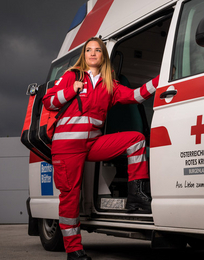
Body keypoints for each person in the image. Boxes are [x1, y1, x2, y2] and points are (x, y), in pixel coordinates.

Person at [42, 37, 159, 260]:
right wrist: (70, 91)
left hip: (92, 144)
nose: (93, 53)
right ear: (84, 55)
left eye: (97, 50)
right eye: (89, 50)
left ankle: (137, 196)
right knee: (70, 196)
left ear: (104, 56)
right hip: (66, 147)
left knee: (136, 140)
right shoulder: (72, 76)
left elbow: (135, 96)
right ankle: (73, 250)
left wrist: (160, 80)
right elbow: (49, 102)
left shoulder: (109, 85)